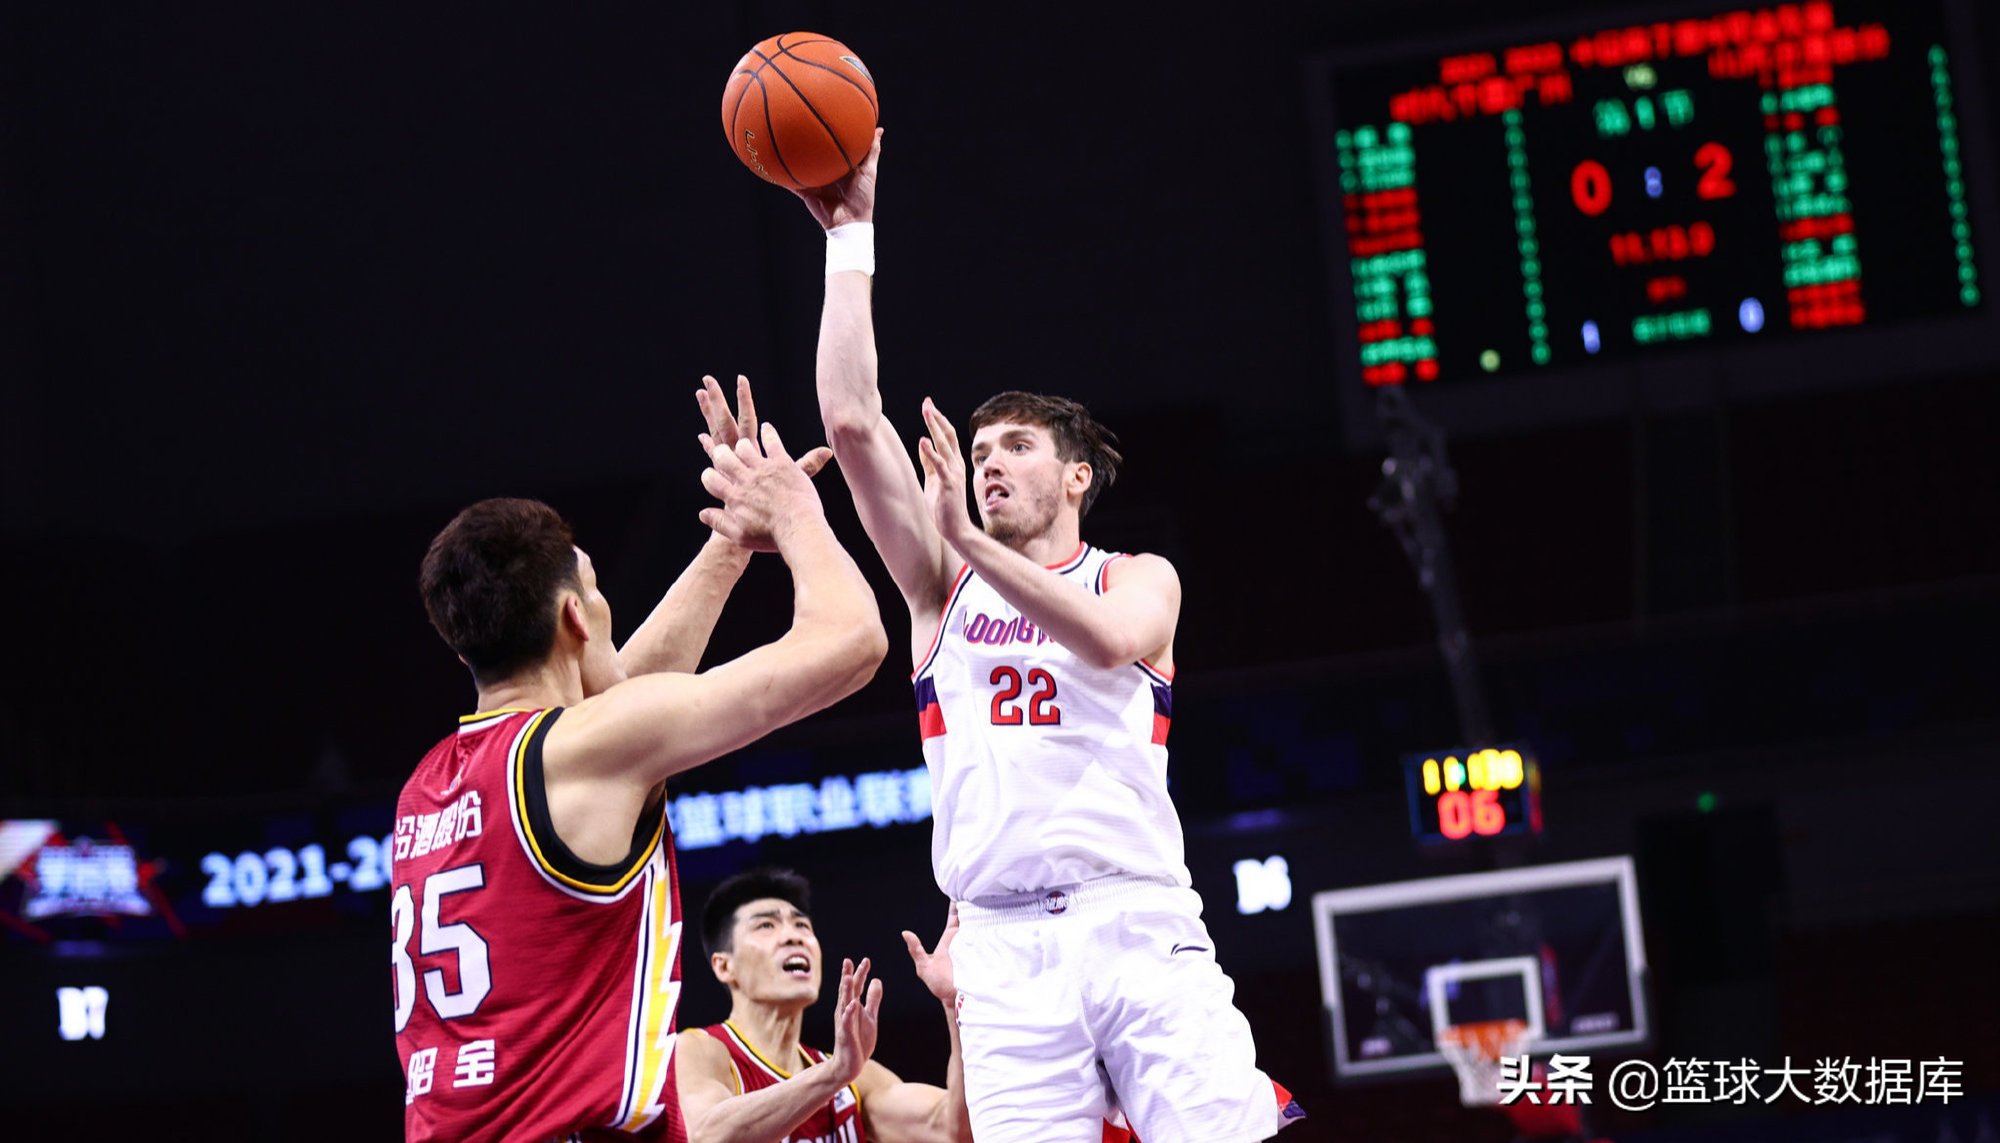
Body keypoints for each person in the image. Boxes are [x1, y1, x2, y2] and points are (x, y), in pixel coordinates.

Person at [790, 133, 1304, 1143]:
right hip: (998, 945)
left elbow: (1111, 643)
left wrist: (967, 541)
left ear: (1075, 477)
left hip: (1137, 919)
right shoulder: (939, 581)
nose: (988, 464)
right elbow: (851, 418)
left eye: (1016, 447)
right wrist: (850, 237)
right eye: (977, 452)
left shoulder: (1133, 578)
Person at [394, 383, 888, 1143]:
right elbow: (854, 642)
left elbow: (630, 707)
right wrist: (792, 506)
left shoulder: (429, 783)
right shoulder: (585, 751)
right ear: (571, 618)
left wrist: (729, 542)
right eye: (593, 591)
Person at [674, 867, 972, 1143]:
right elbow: (705, 1136)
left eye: (802, 925)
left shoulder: (857, 1079)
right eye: (766, 925)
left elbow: (953, 1130)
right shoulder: (700, 1049)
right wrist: (834, 1075)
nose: (794, 937)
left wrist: (954, 1003)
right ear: (724, 966)